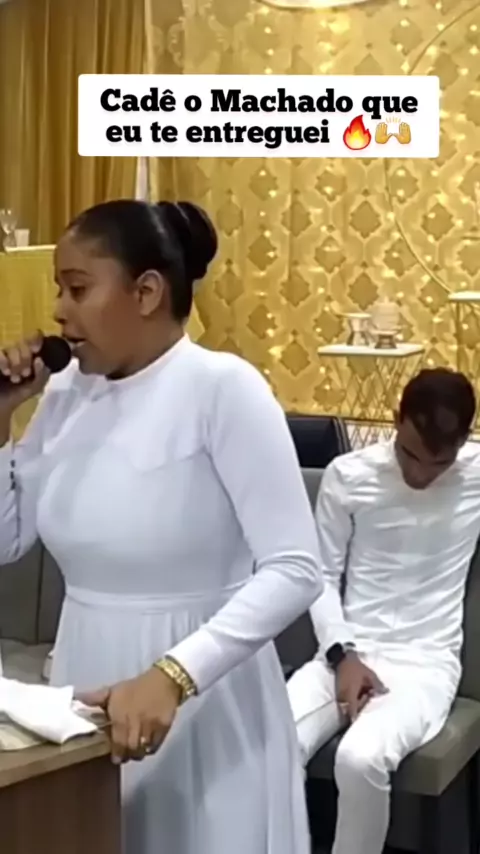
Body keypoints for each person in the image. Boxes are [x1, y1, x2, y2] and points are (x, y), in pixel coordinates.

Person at [0, 199, 323, 854]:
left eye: (78, 289)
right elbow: (8, 543)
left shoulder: (222, 388)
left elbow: (296, 568)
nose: (58, 310)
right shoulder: (64, 393)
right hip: (87, 681)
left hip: (205, 692)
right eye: (59, 290)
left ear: (146, 292)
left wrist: (173, 675)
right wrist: (1, 419)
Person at [287, 367, 480, 854]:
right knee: (275, 743)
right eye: (410, 455)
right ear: (396, 420)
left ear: (463, 443)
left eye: (439, 463)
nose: (421, 475)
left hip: (424, 664)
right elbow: (320, 577)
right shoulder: (349, 475)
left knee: (360, 758)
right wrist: (343, 655)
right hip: (344, 651)